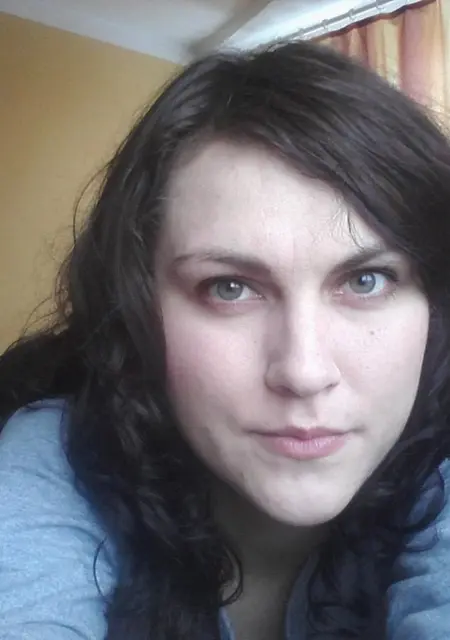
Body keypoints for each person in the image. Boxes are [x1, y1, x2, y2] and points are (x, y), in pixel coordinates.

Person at [1, 37, 450, 640]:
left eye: (366, 279)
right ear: (137, 307)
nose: (304, 370)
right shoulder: (57, 452)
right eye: (229, 288)